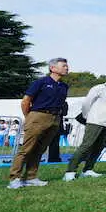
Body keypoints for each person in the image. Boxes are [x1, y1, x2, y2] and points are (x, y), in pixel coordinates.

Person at [7, 57, 70, 189]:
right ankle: (15, 178)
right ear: (52, 68)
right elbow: (25, 101)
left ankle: (31, 177)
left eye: (67, 65)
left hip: (55, 119)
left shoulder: (64, 86)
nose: (67, 67)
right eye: (63, 65)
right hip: (38, 116)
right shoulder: (41, 82)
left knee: (40, 150)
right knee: (27, 149)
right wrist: (29, 116)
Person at [64, 69, 106, 181]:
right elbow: (86, 103)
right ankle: (70, 171)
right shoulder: (99, 88)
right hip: (95, 121)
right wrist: (86, 117)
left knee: (99, 147)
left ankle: (88, 169)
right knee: (86, 145)